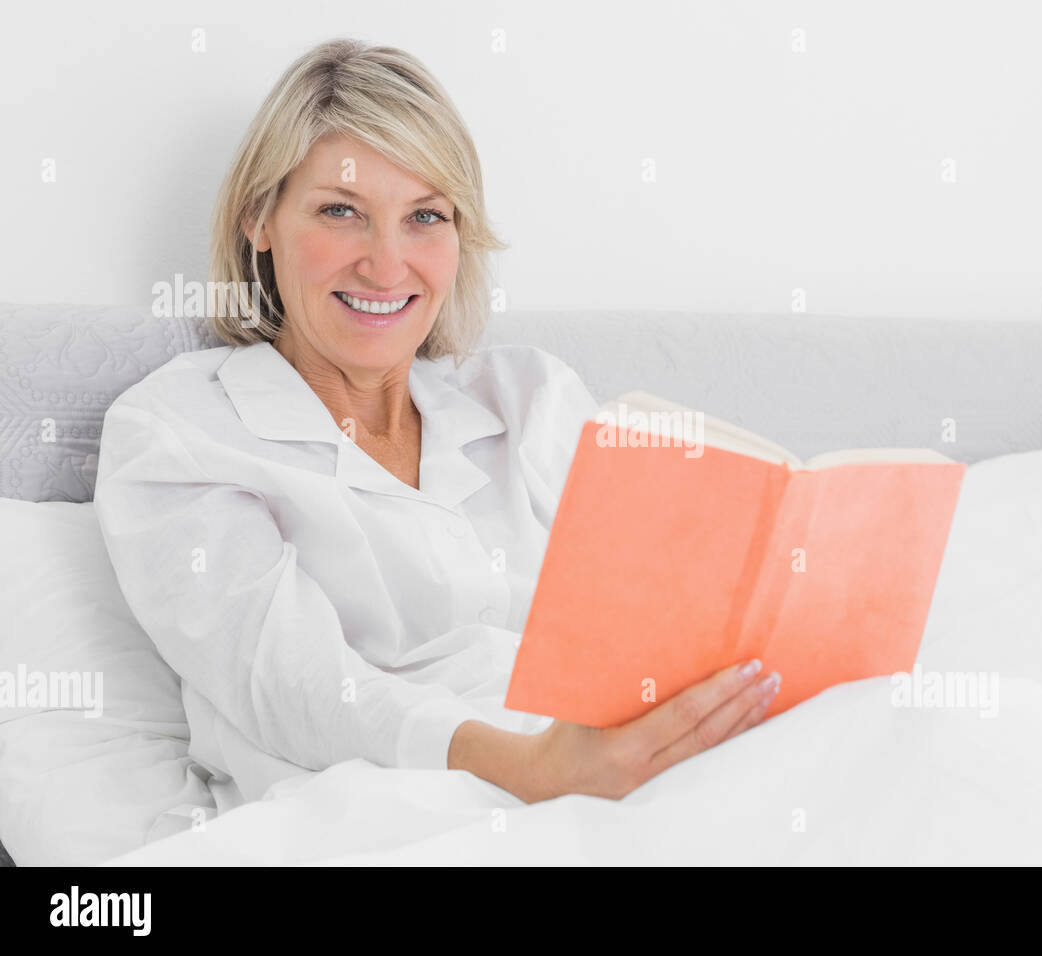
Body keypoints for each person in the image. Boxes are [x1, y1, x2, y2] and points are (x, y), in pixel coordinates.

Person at [93, 38, 781, 816]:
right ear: (260, 218)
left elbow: (665, 612)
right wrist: (529, 767)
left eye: (425, 216)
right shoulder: (180, 431)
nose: (387, 266)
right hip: (390, 815)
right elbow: (290, 683)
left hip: (632, 781)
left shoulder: (531, 398)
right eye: (341, 212)